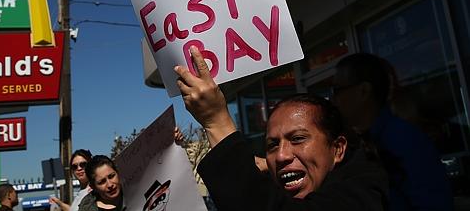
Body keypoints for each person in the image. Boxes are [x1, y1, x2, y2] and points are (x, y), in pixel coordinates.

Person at [174, 45, 388, 211]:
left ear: (338, 149)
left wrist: (216, 121)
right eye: (272, 145)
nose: (282, 155)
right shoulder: (280, 182)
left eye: (298, 139)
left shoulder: (365, 191)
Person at [332, 53, 453, 211]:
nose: (334, 99)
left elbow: (433, 204)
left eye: (337, 90)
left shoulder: (405, 140)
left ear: (363, 91)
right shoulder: (359, 142)